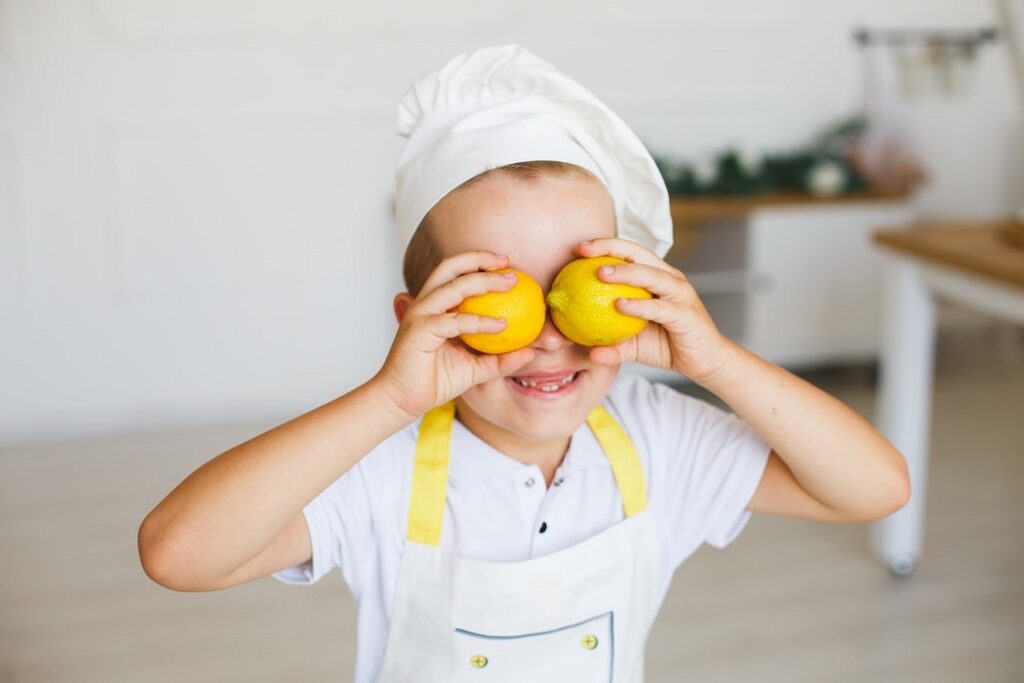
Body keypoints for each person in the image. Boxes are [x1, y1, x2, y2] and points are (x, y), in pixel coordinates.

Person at [138, 44, 910, 682]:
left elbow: (877, 488)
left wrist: (716, 362)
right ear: (418, 323)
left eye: (575, 290)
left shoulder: (658, 439)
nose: (548, 336)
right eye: (503, 295)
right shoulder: (382, 466)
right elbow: (177, 553)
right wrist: (388, 398)